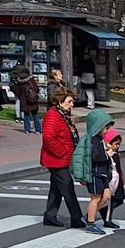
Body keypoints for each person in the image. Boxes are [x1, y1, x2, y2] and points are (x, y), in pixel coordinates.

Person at [41, 86, 85, 228]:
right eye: (69, 101)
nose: (72, 104)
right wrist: (63, 152)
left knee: (57, 188)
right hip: (57, 159)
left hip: (60, 158)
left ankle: (50, 215)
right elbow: (48, 137)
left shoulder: (61, 115)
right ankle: (76, 218)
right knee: (67, 187)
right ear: (60, 101)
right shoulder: (53, 115)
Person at [72, 109, 115, 234]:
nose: (107, 131)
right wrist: (108, 154)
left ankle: (88, 217)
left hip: (102, 174)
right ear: (98, 127)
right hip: (95, 174)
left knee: (106, 196)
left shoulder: (99, 140)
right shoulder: (93, 141)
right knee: (95, 198)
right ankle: (90, 223)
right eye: (105, 128)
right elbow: (96, 157)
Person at [102, 129, 125, 229]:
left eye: (119, 144)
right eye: (116, 144)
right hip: (112, 181)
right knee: (112, 200)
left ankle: (103, 212)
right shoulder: (109, 155)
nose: (118, 146)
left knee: (119, 199)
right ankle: (107, 219)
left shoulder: (115, 154)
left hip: (117, 180)